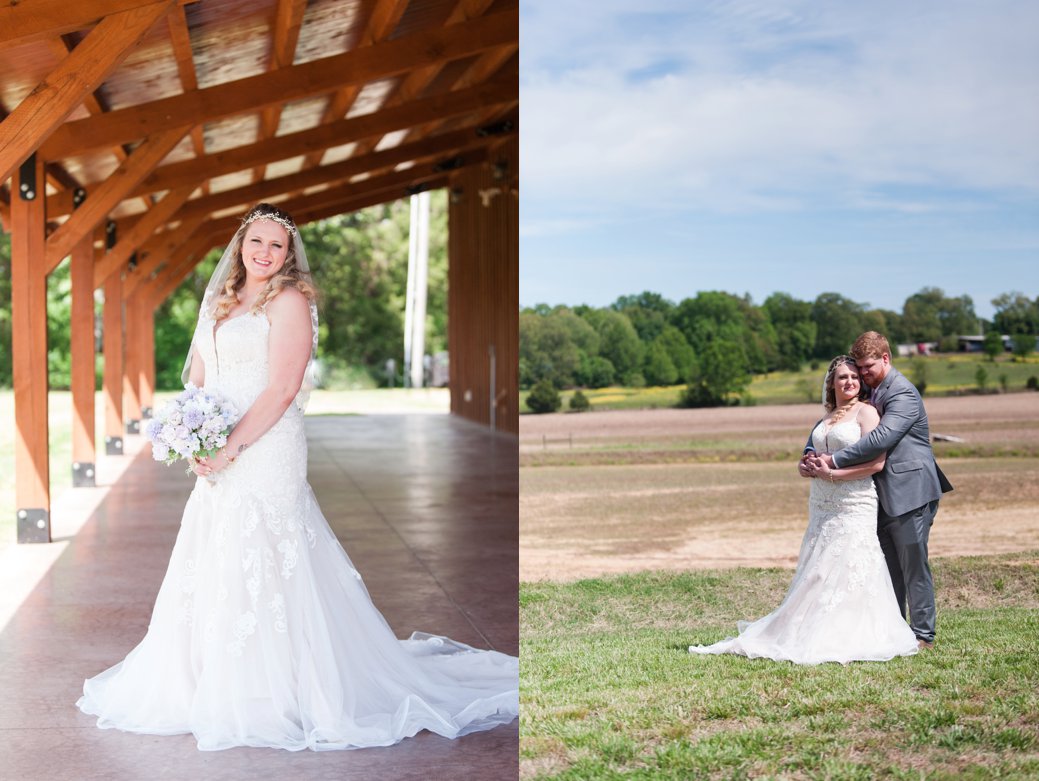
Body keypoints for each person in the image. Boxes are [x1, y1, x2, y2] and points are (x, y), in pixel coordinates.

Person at [76, 203, 518, 751]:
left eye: (276, 246)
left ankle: (280, 689)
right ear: (240, 244)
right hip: (220, 450)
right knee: (217, 551)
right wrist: (196, 437)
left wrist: (232, 445)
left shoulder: (288, 301)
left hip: (266, 446)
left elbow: (283, 389)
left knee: (267, 550)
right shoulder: (219, 301)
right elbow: (201, 375)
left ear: (288, 256)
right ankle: (209, 680)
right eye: (255, 241)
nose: (264, 253)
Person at [688, 355, 920, 664]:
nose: (850, 381)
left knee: (849, 562)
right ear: (831, 383)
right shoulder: (825, 419)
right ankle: (802, 626)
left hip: (854, 500)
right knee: (818, 566)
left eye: (854, 376)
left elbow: (876, 463)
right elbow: (809, 454)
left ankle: (847, 632)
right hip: (822, 501)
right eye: (842, 377)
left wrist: (834, 474)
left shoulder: (867, 413)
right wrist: (805, 466)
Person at [811, 331, 952, 649]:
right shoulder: (872, 391)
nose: (862, 374)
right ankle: (896, 631)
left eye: (868, 367)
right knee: (889, 568)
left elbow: (879, 440)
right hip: (878, 494)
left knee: (913, 564)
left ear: (886, 358)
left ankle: (924, 635)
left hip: (911, 490)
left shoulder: (902, 393)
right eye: (858, 368)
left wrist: (832, 460)